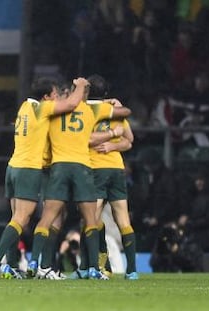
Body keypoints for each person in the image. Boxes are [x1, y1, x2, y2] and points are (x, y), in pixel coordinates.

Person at [26, 78, 131, 280]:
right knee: (90, 219)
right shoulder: (91, 110)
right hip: (82, 168)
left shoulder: (51, 111)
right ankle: (92, 268)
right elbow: (125, 113)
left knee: (49, 218)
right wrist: (113, 114)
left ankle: (37, 263)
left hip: (56, 168)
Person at [0, 76, 89, 279]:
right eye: (53, 95)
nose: (56, 99)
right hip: (28, 169)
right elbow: (71, 103)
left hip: (13, 167)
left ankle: (13, 265)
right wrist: (79, 86)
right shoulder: (42, 109)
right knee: (21, 218)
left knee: (17, 220)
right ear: (45, 97)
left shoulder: (25, 107)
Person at [73, 74, 138, 280]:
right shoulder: (116, 111)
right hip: (117, 169)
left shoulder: (84, 111)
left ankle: (88, 267)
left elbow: (85, 139)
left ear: (88, 91)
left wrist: (108, 141)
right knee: (123, 220)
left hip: (96, 169)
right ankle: (132, 271)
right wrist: (114, 145)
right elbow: (129, 140)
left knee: (89, 220)